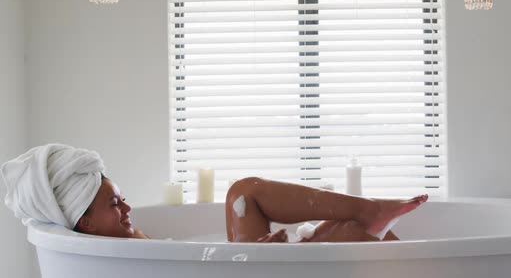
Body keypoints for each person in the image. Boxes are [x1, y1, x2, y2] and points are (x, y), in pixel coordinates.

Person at [1, 144, 427, 243]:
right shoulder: (119, 255)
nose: (128, 207)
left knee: (244, 192)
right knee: (356, 237)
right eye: (115, 203)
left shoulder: (128, 246)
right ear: (85, 222)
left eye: (122, 197)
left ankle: (368, 212)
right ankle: (368, 215)